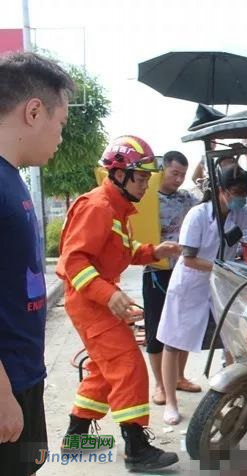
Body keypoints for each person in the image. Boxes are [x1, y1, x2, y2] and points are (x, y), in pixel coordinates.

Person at [56, 135, 182, 472]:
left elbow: (119, 252)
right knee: (128, 368)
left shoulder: (115, 208)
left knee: (103, 370)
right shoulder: (97, 207)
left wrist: (153, 251)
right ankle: (137, 449)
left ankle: (76, 439)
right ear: (119, 174)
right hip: (91, 303)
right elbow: (74, 263)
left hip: (95, 300)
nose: (145, 186)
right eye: (141, 178)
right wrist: (109, 295)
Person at [157, 164, 247, 425]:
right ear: (222, 191)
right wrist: (224, 267)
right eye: (237, 194)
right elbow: (189, 259)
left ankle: (230, 394)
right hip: (191, 284)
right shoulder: (198, 215)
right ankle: (170, 401)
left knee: (229, 339)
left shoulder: (239, 212)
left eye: (245, 195)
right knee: (173, 342)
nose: (241, 199)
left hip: (218, 285)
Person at [0, 51, 73, 476]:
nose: (60, 137)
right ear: (33, 111)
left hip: (22, 374)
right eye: (60, 124)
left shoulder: (12, 180)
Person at [142, 151, 200, 407]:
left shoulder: (186, 198)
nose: (178, 179)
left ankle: (179, 378)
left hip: (183, 270)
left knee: (183, 327)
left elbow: (205, 198)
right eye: (174, 173)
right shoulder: (146, 198)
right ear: (162, 169)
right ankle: (160, 384)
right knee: (156, 330)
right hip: (155, 270)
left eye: (182, 175)